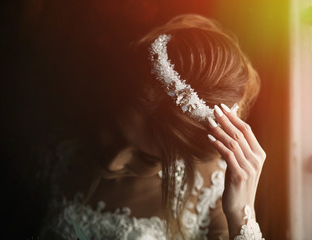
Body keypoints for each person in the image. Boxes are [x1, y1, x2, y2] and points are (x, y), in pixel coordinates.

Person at [40, 14, 265, 240]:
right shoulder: (60, 143)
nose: (113, 162)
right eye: (114, 131)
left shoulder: (212, 192)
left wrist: (242, 216)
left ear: (184, 157)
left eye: (148, 159)